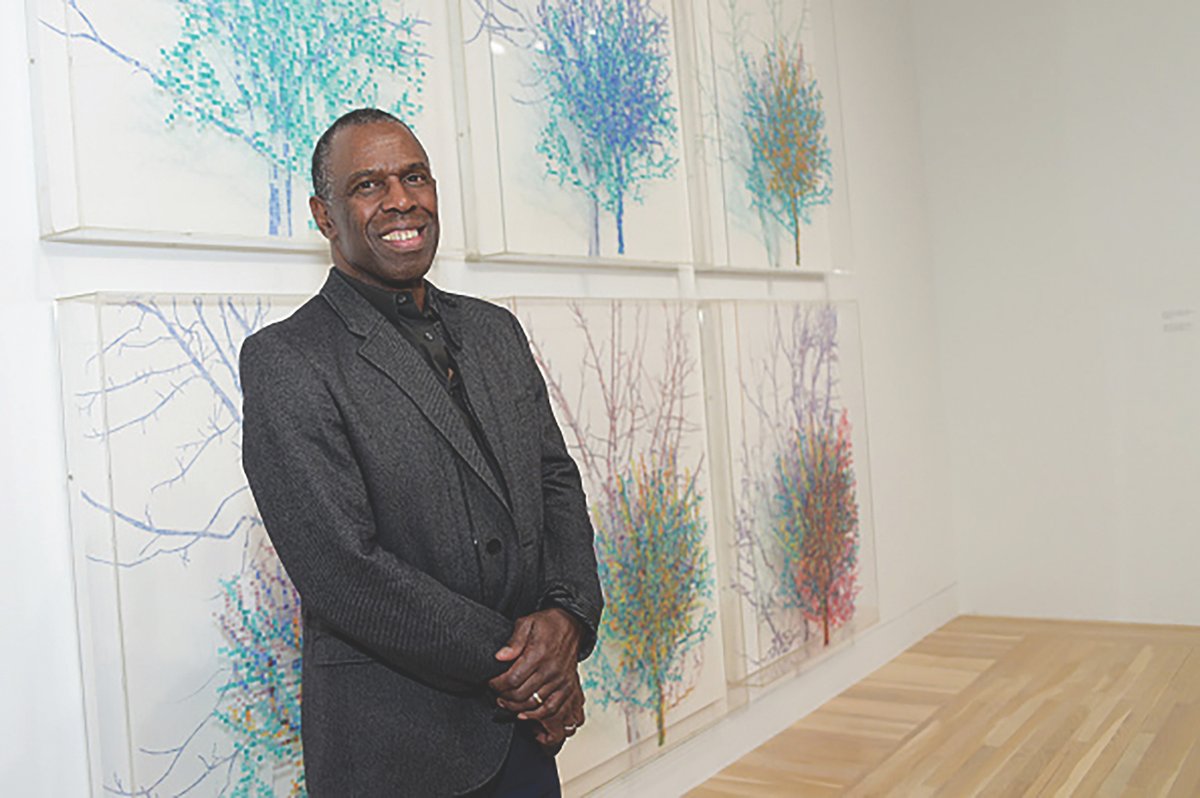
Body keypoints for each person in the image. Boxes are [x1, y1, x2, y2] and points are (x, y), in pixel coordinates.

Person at [240, 107, 603, 797]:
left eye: (415, 177)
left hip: (520, 735)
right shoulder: (287, 360)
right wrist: (528, 665)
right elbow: (343, 571)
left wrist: (567, 620)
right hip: (396, 748)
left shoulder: (496, 332)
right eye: (369, 185)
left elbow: (557, 485)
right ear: (324, 216)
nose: (401, 199)